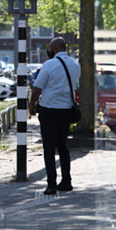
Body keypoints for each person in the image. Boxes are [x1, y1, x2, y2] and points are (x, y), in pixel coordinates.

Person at [27, 37, 80, 195]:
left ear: (55, 48)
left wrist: (31, 105)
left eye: (50, 47)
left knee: (49, 147)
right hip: (66, 110)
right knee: (62, 145)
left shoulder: (49, 65)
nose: (48, 50)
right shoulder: (75, 64)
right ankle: (66, 181)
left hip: (49, 110)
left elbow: (37, 89)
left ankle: (51, 184)